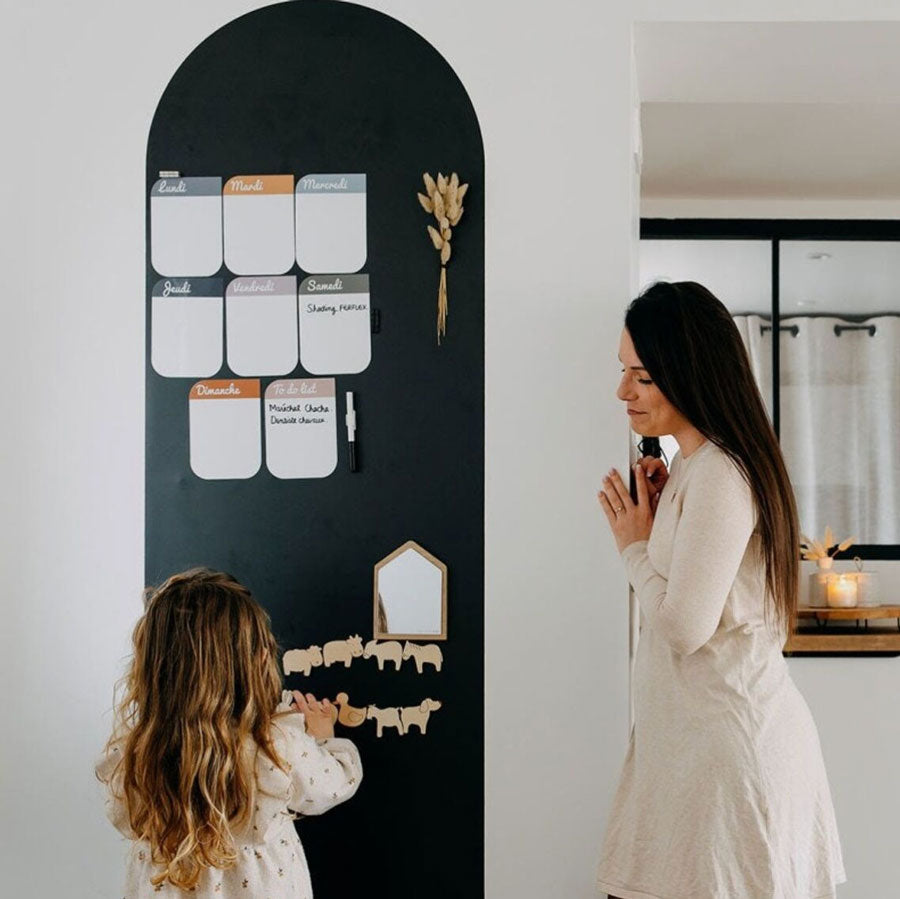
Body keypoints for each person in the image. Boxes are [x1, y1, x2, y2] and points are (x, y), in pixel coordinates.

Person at [595, 281, 846, 899]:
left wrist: (632, 545)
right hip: (694, 747)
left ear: (691, 374)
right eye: (624, 371)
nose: (623, 391)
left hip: (729, 754)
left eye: (643, 377)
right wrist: (660, 519)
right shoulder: (693, 465)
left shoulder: (721, 475)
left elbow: (684, 627)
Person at [95, 567, 362, 897]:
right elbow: (333, 786)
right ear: (255, 661)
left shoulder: (138, 749)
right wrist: (323, 737)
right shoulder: (275, 745)